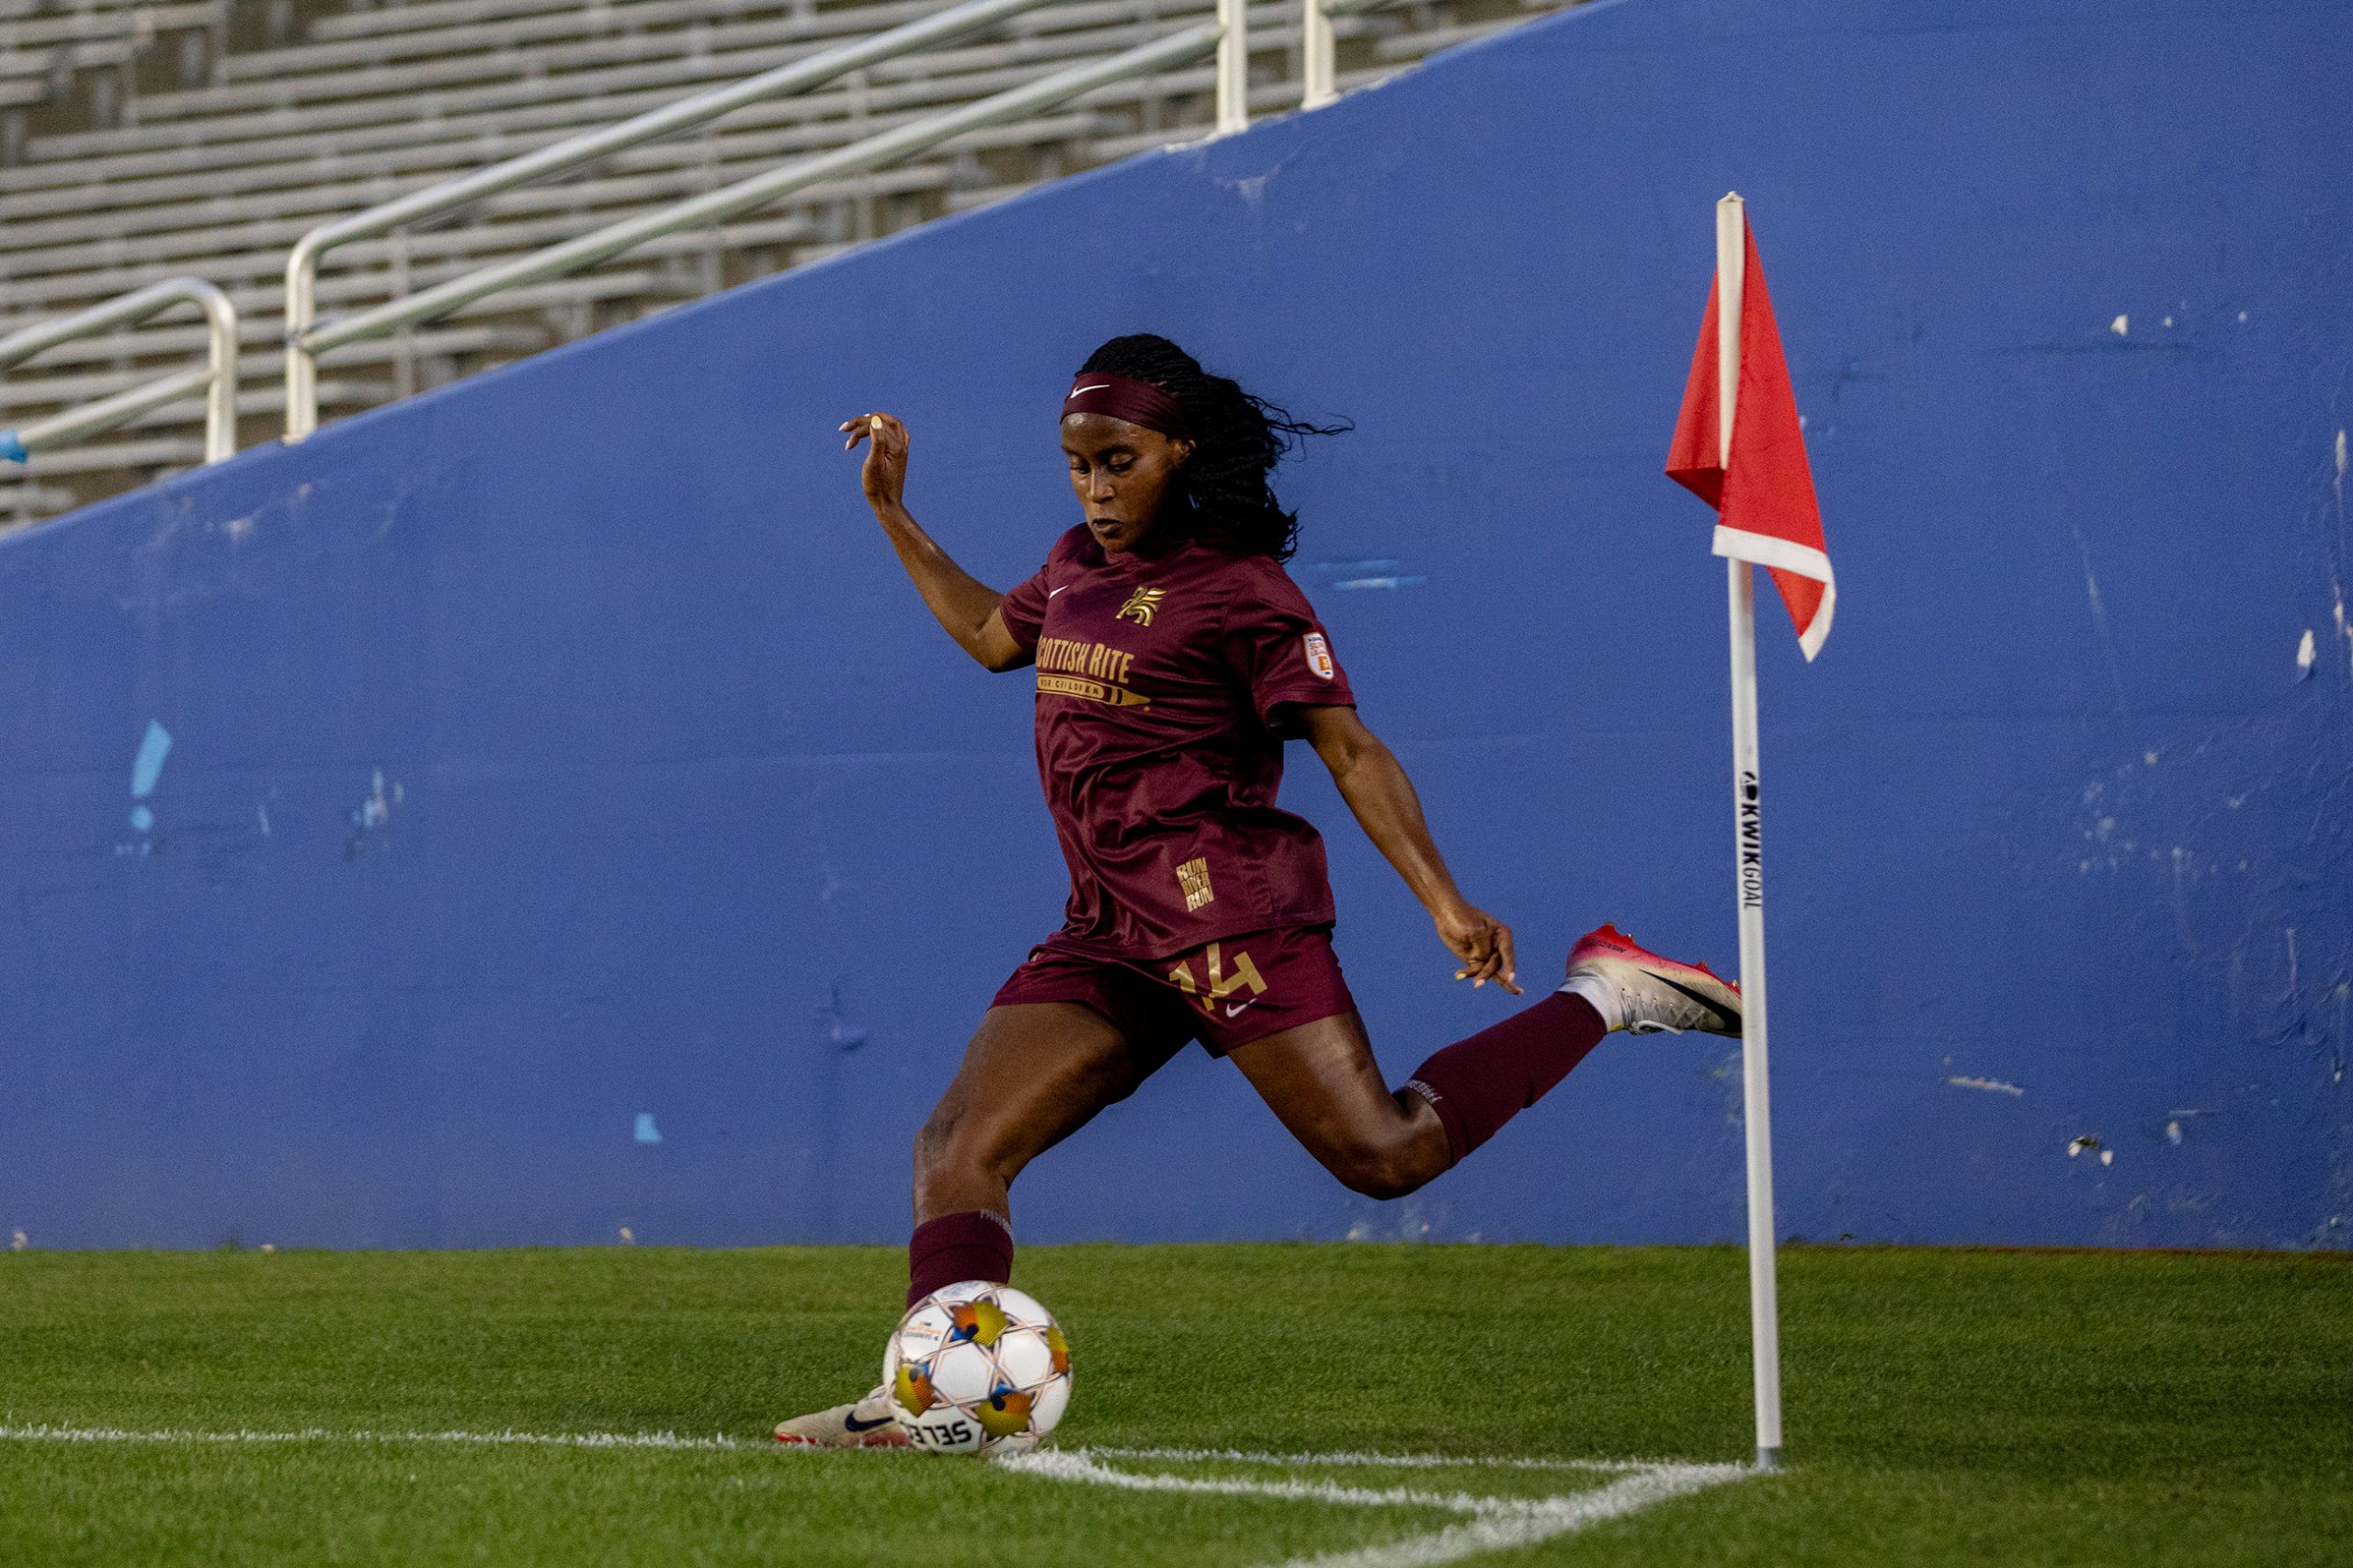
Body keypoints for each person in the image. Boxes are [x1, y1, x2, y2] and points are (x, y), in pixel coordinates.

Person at [774, 335, 1739, 1447]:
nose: (1096, 488)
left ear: (1181, 451)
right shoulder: (1075, 566)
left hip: (1229, 919)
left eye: (1119, 461)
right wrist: (891, 511)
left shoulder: (1242, 591)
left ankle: (1607, 989)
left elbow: (1350, 751)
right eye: (1078, 464)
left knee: (1387, 1154)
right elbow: (994, 638)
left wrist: (1443, 898)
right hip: (1109, 928)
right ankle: (930, 1395)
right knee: (955, 1149)